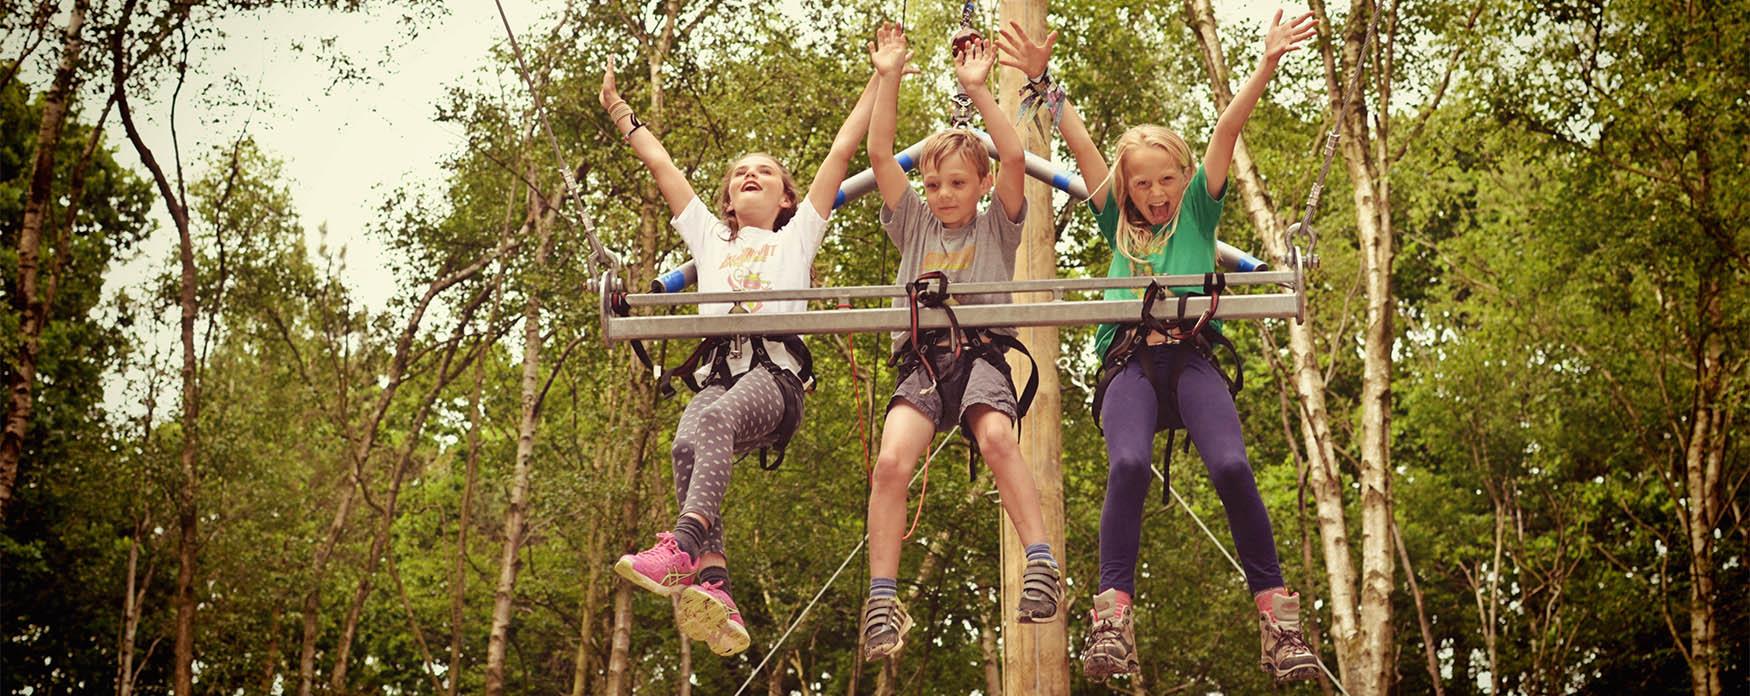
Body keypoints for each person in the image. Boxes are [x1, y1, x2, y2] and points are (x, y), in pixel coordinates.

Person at [996, 11, 1323, 682]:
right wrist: (1041, 81)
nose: (1153, 194)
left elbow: (1227, 130)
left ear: (1184, 175)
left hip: (1194, 358)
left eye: (1164, 180)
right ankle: (1113, 613)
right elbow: (1082, 142)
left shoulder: (1202, 208)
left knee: (1232, 466)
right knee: (1128, 464)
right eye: (1140, 183)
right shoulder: (1114, 215)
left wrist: (1265, 63)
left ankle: (1276, 615)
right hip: (1131, 367)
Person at [601, 53, 879, 658]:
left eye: (767, 172)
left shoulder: (796, 236)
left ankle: (681, 545)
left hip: (774, 379)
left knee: (717, 422)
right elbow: (662, 165)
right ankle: (715, 582)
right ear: (727, 197)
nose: (751, 175)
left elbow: (840, 153)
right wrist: (621, 114)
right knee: (684, 443)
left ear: (785, 200)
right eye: (740, 173)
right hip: (719, 374)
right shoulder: (706, 238)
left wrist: (881, 78)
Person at [858, 21, 1061, 663]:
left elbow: (1013, 158)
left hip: (979, 354)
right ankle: (883, 597)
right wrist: (887, 75)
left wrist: (979, 94)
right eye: (936, 184)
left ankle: (1039, 559)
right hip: (921, 359)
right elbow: (881, 155)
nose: (944, 194)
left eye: (957, 184)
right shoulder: (914, 224)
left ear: (978, 188)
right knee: (892, 463)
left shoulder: (1000, 226)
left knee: (997, 437)